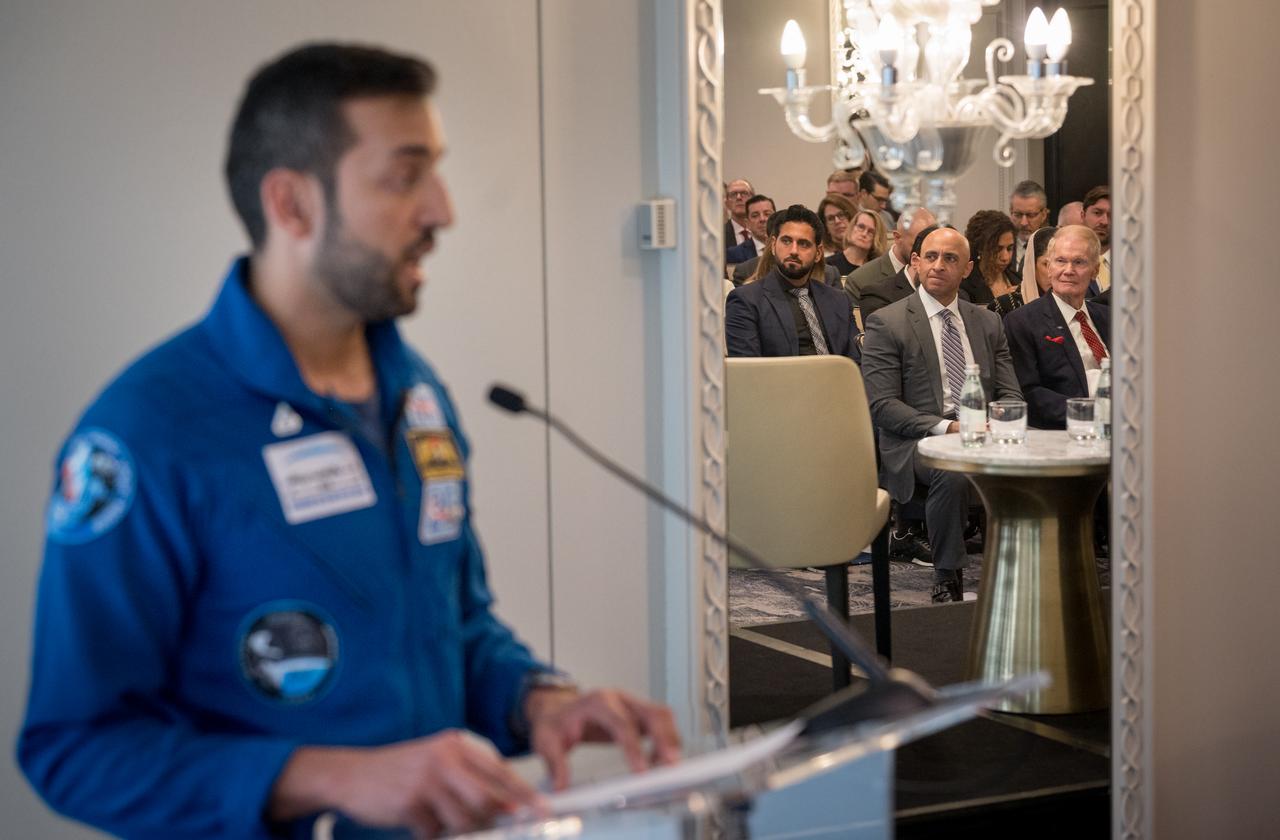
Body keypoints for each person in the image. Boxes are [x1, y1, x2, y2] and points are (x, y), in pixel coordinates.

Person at [17, 43, 680, 840]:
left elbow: (453, 628)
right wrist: (325, 775)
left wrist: (539, 701)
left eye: (435, 171)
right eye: (405, 176)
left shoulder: (418, 397)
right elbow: (75, 747)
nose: (443, 210)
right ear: (292, 204)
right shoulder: (143, 435)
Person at [861, 228, 1022, 602]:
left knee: (1034, 460)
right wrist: (950, 427)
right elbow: (882, 406)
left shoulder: (986, 322)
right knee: (950, 470)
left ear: (966, 269)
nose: (938, 265)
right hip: (916, 441)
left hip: (982, 432)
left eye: (950, 259)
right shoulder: (888, 322)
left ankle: (1025, 569)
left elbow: (1010, 390)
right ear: (915, 262)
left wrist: (1000, 421)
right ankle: (948, 576)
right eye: (930, 256)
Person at [1004, 225, 1111, 429]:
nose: (1068, 270)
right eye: (1060, 261)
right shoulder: (1022, 322)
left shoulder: (1108, 317)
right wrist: (1093, 413)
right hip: (1067, 430)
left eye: (1079, 262)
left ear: (1095, 270)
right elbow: (1028, 393)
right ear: (1049, 267)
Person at [725, 204, 861, 362]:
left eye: (804, 244)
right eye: (787, 241)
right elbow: (749, 372)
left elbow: (856, 363)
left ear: (818, 254)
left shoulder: (839, 301)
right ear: (774, 245)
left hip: (837, 383)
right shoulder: (745, 301)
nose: (794, 251)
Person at [845, 207, 936, 313]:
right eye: (918, 245)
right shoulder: (860, 280)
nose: (925, 252)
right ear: (897, 238)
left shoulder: (937, 275)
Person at [990, 225, 1057, 317]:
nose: (1054, 273)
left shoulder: (1075, 304)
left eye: (1060, 264)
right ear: (1032, 265)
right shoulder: (1004, 306)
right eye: (1046, 264)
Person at [959, 210, 1019, 306]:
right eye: (997, 249)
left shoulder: (1018, 279)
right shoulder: (964, 285)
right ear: (980, 248)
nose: (1005, 257)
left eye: (1010, 248)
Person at [828, 208, 886, 277]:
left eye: (871, 232)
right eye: (861, 227)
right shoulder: (829, 265)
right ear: (852, 227)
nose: (864, 234)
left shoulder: (878, 270)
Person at [1008, 180, 1050, 272]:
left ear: (1043, 215)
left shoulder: (1054, 246)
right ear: (1011, 212)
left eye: (1031, 215)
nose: (1024, 223)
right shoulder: (1001, 245)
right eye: (1018, 214)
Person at [725, 193, 774, 265]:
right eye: (755, 216)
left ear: (776, 218)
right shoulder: (733, 254)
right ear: (747, 223)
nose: (762, 219)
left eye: (767, 214)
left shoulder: (787, 249)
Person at [1082, 186, 1112, 293]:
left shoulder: (1131, 264)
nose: (1104, 222)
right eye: (1097, 213)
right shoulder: (1067, 261)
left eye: (1111, 215)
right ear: (1083, 216)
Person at [817, 193, 856, 259]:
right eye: (831, 218)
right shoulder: (825, 259)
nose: (837, 221)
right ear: (826, 227)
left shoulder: (866, 251)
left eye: (841, 215)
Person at [723, 178, 754, 251]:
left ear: (753, 200)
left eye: (744, 193)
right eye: (733, 194)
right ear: (727, 203)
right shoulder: (720, 235)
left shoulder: (764, 231)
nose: (739, 197)